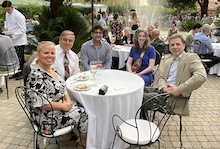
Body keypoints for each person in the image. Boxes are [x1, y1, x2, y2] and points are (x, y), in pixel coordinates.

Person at [26, 41, 88, 148]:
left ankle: (67, 136)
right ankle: (83, 143)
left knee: (83, 105)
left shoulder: (51, 69)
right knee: (85, 113)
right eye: (46, 53)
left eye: (52, 53)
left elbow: (63, 88)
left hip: (56, 109)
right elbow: (40, 103)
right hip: (46, 119)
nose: (50, 56)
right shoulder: (36, 76)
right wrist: (64, 106)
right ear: (37, 55)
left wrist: (68, 101)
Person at [143, 34, 207, 117]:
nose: (175, 47)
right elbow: (161, 78)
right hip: (163, 92)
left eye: (178, 44)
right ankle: (142, 120)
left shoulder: (191, 58)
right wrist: (163, 88)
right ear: (169, 48)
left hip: (172, 100)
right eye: (172, 45)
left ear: (183, 46)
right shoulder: (169, 62)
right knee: (139, 90)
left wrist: (179, 90)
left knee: (140, 98)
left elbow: (201, 76)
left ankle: (140, 123)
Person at [2, 0, 27, 80]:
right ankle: (16, 72)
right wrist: (6, 28)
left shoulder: (19, 16)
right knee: (14, 57)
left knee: (20, 57)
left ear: (12, 7)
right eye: (5, 10)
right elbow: (7, 22)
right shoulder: (7, 13)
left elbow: (22, 29)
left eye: (8, 10)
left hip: (19, 40)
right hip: (11, 39)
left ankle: (22, 73)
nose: (7, 11)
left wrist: (13, 36)